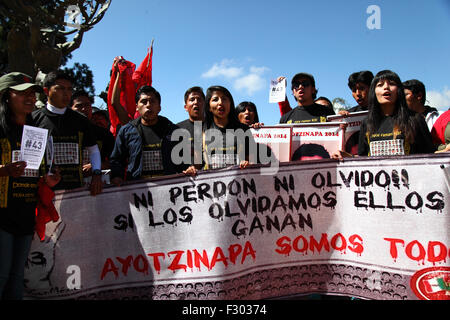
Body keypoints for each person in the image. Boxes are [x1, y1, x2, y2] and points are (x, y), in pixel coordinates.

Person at [0, 72, 60, 300]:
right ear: (6, 96)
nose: (29, 97)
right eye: (22, 93)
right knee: (2, 276)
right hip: (2, 216)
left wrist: (48, 180)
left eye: (31, 93)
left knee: (17, 278)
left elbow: (37, 173)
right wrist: (4, 170)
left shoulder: (36, 131)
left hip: (26, 215)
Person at [334, 70, 435, 158]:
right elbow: (363, 158)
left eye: (391, 83)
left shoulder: (415, 119)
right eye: (380, 85)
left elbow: (429, 157)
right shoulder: (367, 123)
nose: (386, 87)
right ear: (374, 92)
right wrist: (347, 157)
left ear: (399, 90)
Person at [31, 71, 103, 195]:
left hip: (75, 190)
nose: (66, 94)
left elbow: (93, 150)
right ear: (46, 91)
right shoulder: (33, 119)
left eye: (69, 89)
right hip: (44, 192)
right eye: (60, 89)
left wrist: (96, 174)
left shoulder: (81, 120)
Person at [109, 85, 180, 185]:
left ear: (159, 107)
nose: (148, 105)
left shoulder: (173, 130)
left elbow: (184, 162)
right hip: (138, 191)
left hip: (168, 189)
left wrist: (189, 168)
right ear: (137, 107)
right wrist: (116, 176)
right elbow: (117, 159)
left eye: (152, 101)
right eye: (144, 102)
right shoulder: (126, 131)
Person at [71, 90, 115, 172]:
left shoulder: (104, 134)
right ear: (70, 109)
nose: (84, 109)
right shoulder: (62, 131)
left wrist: (97, 166)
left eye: (87, 105)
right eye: (79, 106)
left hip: (96, 182)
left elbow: (115, 161)